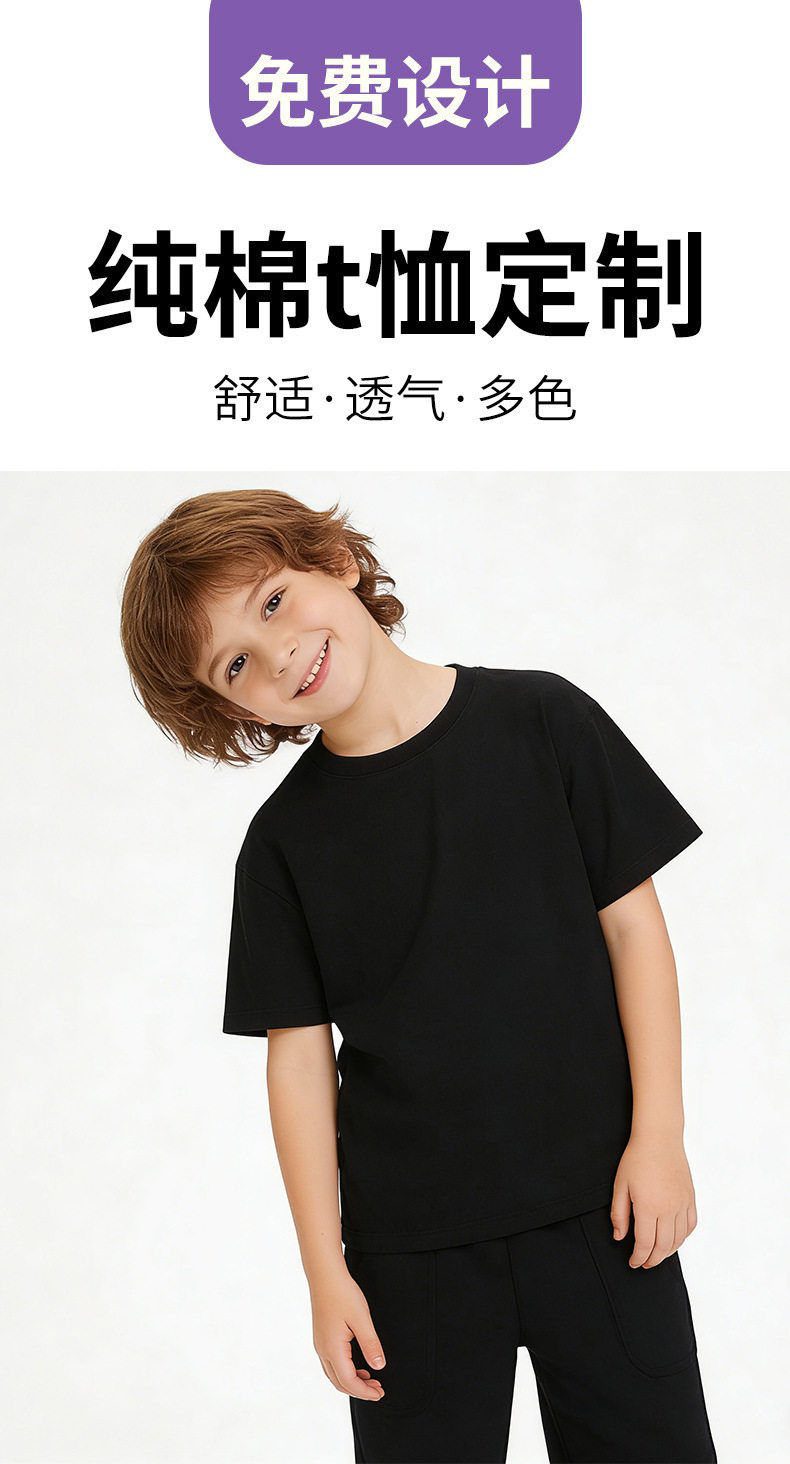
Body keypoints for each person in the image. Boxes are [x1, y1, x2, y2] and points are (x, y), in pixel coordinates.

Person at [120, 488, 718, 1464]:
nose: (279, 655)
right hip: (408, 1260)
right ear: (231, 708)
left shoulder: (543, 718)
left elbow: (635, 934)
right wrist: (325, 1273)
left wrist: (659, 1137)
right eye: (236, 664)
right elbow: (297, 1063)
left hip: (606, 1209)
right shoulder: (281, 848)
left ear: (335, 561)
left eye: (273, 602)